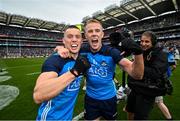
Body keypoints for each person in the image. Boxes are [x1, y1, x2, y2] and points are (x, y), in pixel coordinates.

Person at [55, 19, 144, 120]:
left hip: (109, 99)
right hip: (90, 99)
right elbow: (68, 47)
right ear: (85, 36)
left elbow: (137, 75)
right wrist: (61, 48)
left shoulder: (112, 52)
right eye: (90, 31)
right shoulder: (82, 50)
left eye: (97, 31)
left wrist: (138, 52)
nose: (94, 34)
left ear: (102, 34)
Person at [33, 25, 90, 120]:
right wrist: (74, 72)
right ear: (63, 41)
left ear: (81, 41)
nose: (74, 39)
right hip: (50, 118)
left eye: (77, 37)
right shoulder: (54, 60)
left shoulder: (82, 56)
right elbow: (38, 95)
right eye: (70, 36)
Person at [124, 31, 169, 120]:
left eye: (147, 41)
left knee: (140, 117)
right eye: (141, 41)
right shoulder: (142, 51)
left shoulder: (161, 53)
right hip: (136, 87)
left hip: (147, 90)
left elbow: (156, 73)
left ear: (153, 41)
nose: (143, 44)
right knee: (129, 110)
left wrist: (135, 66)